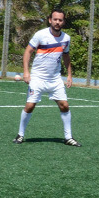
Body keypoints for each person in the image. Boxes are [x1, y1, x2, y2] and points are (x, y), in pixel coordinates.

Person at [15, 9, 79, 146]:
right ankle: (20, 135)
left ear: (63, 22)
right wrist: (26, 72)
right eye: (55, 19)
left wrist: (69, 75)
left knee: (64, 105)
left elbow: (66, 56)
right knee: (30, 106)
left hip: (55, 79)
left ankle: (68, 137)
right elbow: (28, 52)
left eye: (60, 20)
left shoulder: (66, 38)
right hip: (37, 78)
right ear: (50, 20)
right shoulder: (40, 35)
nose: (57, 22)